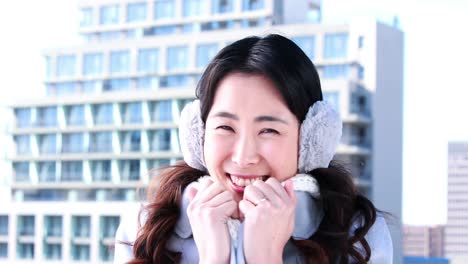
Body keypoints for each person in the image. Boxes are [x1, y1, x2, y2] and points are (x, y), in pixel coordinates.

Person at [114, 34, 393, 264]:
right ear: (198, 134)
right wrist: (213, 257)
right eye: (226, 127)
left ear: (311, 138)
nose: (243, 157)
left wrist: (265, 257)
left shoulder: (358, 234)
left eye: (269, 130)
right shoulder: (144, 227)